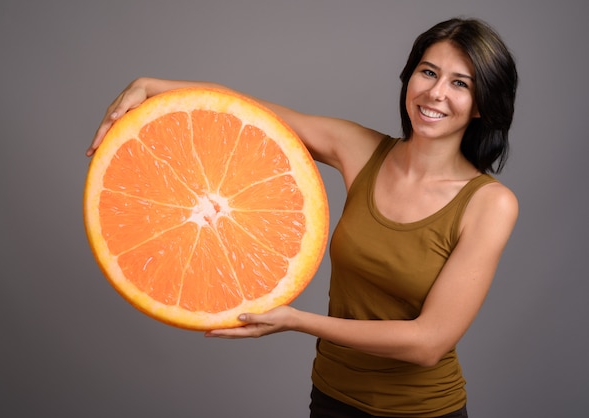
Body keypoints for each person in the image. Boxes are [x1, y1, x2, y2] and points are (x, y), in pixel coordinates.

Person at [87, 17, 518, 418]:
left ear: (481, 105)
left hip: (422, 410)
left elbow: (428, 343)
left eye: (460, 83)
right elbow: (246, 112)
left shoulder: (489, 204)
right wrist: (149, 87)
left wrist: (295, 320)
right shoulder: (362, 150)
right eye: (428, 72)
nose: (436, 93)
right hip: (330, 397)